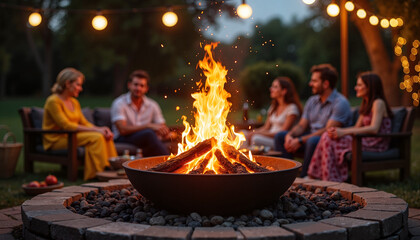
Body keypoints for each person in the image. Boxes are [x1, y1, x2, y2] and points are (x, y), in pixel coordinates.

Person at [308, 72, 393, 182]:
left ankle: (325, 177)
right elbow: (357, 127)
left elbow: (374, 128)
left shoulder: (378, 103)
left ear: (370, 87)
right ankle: (321, 176)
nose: (356, 87)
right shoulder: (367, 103)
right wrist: (339, 131)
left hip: (375, 143)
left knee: (327, 138)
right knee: (327, 135)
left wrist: (343, 132)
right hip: (363, 139)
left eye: (359, 85)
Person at [274, 64, 352, 178]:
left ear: (326, 84)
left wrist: (300, 141)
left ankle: (305, 177)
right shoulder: (312, 101)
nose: (310, 84)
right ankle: (286, 174)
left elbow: (327, 130)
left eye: (314, 81)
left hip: (329, 141)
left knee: (313, 141)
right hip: (310, 139)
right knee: (280, 136)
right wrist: (290, 135)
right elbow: (301, 125)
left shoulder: (340, 102)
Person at [43, 68, 117, 180]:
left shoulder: (74, 102)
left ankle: (114, 169)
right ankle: (99, 173)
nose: (80, 88)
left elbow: (84, 122)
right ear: (68, 83)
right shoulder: (53, 101)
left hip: (72, 136)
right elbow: (66, 125)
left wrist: (101, 128)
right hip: (56, 139)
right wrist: (97, 131)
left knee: (105, 135)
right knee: (96, 137)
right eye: (78, 85)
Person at [111, 69, 173, 157]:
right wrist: (148, 126)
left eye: (142, 85)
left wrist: (163, 131)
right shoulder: (119, 103)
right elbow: (122, 130)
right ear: (129, 85)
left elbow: (161, 126)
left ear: (146, 88)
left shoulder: (152, 105)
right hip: (122, 138)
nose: (138, 88)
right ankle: (169, 161)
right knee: (149, 133)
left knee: (152, 137)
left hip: (145, 139)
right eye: (135, 85)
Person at [245, 77, 302, 150]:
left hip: (278, 140)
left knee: (255, 139)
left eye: (275, 87)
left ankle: (251, 157)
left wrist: (257, 134)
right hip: (267, 136)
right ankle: (239, 158)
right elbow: (266, 127)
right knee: (243, 133)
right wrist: (253, 132)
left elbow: (282, 133)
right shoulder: (274, 107)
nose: (271, 89)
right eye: (272, 86)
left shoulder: (292, 108)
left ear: (284, 91)